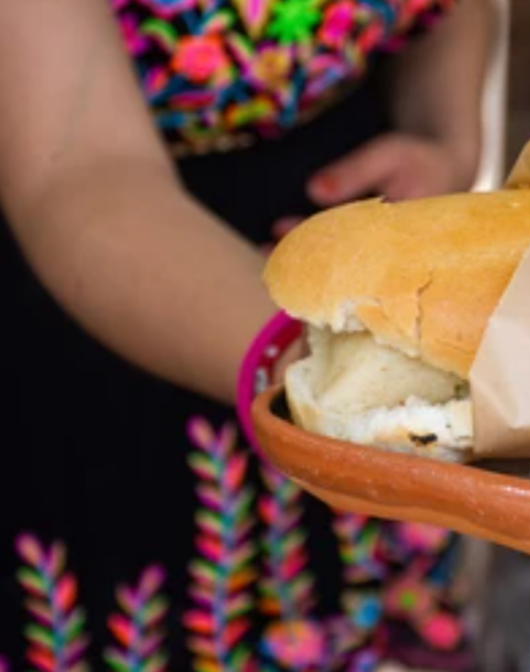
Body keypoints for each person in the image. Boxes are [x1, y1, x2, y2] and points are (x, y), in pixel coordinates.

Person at [0, 0, 493, 669]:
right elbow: (78, 169)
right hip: (128, 287)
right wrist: (335, 368)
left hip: (364, 273)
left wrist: (445, 135)